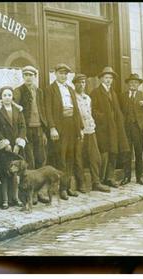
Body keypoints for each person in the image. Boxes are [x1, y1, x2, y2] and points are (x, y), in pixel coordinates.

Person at [45, 63, 84, 200]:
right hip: (59, 127)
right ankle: (61, 189)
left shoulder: (71, 89)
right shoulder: (50, 89)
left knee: (70, 157)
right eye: (61, 73)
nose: (63, 76)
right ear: (55, 73)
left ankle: (67, 187)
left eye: (66, 74)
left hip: (71, 126)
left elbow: (76, 110)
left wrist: (80, 128)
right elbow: (48, 110)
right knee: (61, 158)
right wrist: (52, 127)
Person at [13, 65, 50, 204]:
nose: (29, 77)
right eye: (26, 75)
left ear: (35, 76)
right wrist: (22, 134)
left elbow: (43, 111)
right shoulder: (18, 91)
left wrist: (45, 131)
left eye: (31, 75)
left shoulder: (39, 92)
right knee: (31, 160)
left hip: (39, 129)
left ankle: (41, 191)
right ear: (23, 77)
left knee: (41, 160)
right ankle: (32, 194)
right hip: (27, 130)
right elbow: (17, 113)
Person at [90, 66, 130, 188]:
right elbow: (92, 110)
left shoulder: (113, 93)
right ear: (101, 79)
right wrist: (103, 118)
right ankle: (101, 179)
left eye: (110, 78)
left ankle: (110, 177)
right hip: (103, 128)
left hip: (115, 128)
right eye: (106, 77)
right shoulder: (95, 92)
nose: (108, 80)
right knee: (104, 153)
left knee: (114, 152)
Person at [73, 73, 110, 193]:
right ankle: (81, 183)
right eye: (79, 83)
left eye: (84, 82)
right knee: (78, 157)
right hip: (79, 131)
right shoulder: (73, 98)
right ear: (75, 84)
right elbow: (75, 115)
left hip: (90, 129)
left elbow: (90, 114)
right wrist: (79, 129)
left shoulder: (87, 98)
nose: (82, 85)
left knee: (95, 156)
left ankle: (96, 182)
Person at [0, 86, 26, 208]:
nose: (7, 97)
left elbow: (22, 127)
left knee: (15, 173)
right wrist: (5, 144)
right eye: (4, 95)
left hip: (15, 147)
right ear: (1, 97)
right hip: (3, 149)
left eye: (9, 95)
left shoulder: (18, 110)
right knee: (5, 173)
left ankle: (15, 198)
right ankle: (5, 200)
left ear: (12, 97)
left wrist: (18, 143)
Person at [119, 73, 143, 186]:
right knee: (126, 153)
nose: (133, 84)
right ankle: (126, 177)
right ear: (128, 84)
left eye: (135, 82)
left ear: (139, 84)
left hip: (139, 129)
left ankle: (140, 177)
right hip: (126, 129)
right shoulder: (122, 96)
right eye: (131, 82)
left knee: (139, 153)